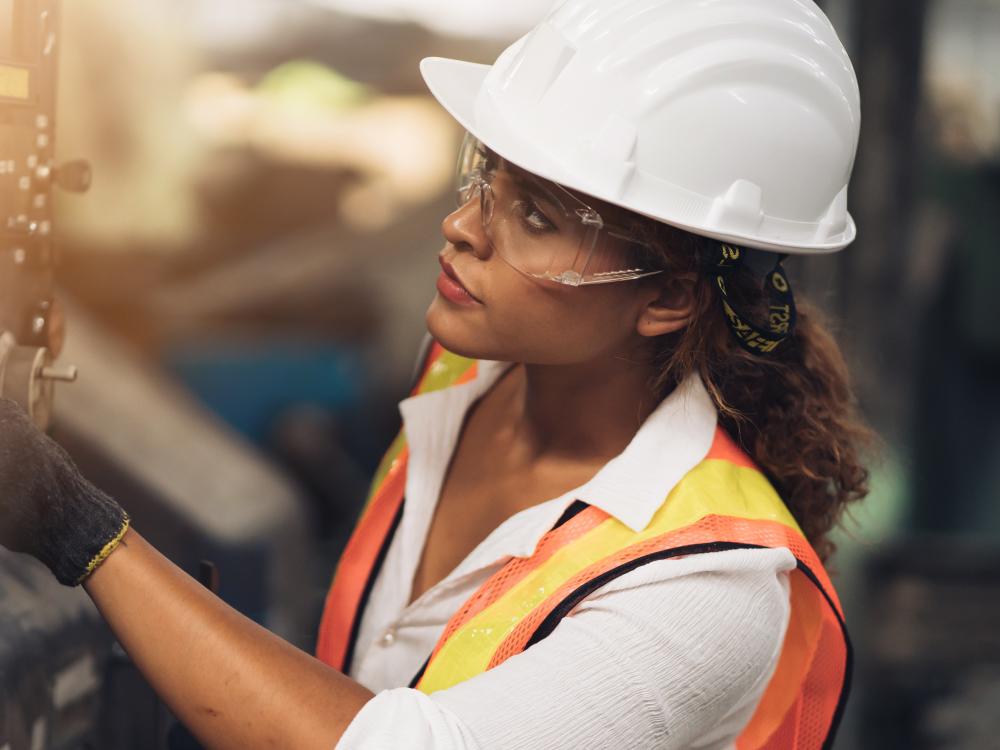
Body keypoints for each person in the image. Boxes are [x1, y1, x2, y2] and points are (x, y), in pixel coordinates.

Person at [0, 1, 873, 748]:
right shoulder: (468, 371)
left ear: (672, 298)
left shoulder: (707, 586)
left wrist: (79, 529)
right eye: (486, 176)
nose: (463, 225)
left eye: (536, 215)